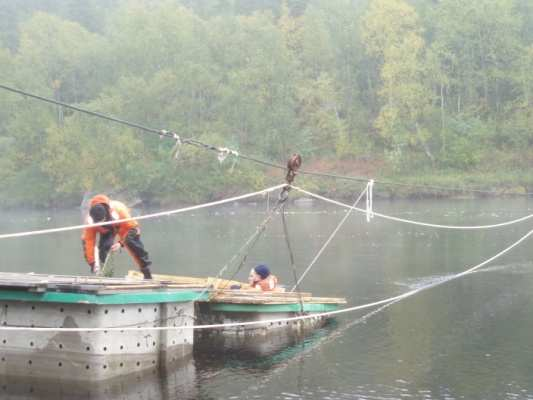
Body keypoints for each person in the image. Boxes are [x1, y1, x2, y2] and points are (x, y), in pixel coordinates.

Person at [81, 194, 153, 279]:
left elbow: (133, 228)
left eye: (101, 221)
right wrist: (92, 263)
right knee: (104, 248)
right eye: (97, 222)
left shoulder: (120, 211)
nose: (99, 223)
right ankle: (106, 276)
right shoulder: (90, 220)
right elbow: (88, 241)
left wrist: (120, 243)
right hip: (106, 231)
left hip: (123, 226)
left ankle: (146, 272)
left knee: (132, 243)